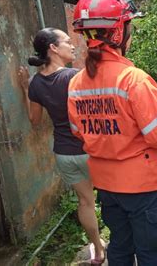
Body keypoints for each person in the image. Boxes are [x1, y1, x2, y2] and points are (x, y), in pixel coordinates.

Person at [67, 0, 157, 266]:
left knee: (120, 248)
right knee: (153, 255)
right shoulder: (133, 80)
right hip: (145, 190)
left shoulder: (76, 84)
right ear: (118, 32)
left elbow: (78, 131)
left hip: (109, 189)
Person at [18, 27, 105, 264]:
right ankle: (123, 243)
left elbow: (35, 121)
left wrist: (26, 89)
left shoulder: (36, 83)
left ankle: (97, 250)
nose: (73, 44)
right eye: (67, 41)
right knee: (111, 198)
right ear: (53, 48)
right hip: (90, 150)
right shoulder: (75, 76)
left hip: (64, 154)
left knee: (85, 202)